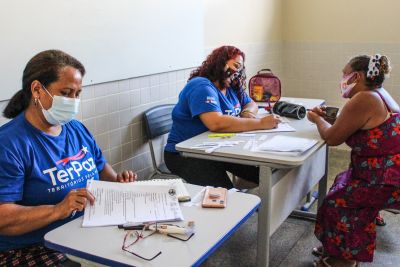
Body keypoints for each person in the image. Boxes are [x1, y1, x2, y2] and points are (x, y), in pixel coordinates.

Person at [0, 50, 137, 266]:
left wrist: (120, 183)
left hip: (83, 231)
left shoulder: (76, 130)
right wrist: (58, 210)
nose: (73, 101)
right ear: (37, 89)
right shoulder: (10, 144)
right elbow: (3, 218)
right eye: (66, 92)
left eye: (77, 94)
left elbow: (104, 173)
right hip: (33, 247)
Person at [307, 54, 400, 267]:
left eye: (344, 73)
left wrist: (317, 120)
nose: (342, 77)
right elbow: (359, 122)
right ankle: (337, 244)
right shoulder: (379, 93)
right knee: (341, 181)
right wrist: (332, 119)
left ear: (356, 76)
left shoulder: (363, 98)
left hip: (385, 178)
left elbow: (332, 138)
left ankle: (344, 259)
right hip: (385, 171)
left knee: (338, 201)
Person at [164, 45, 281, 188]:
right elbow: (216, 123)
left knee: (263, 175)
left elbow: (251, 104)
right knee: (226, 194)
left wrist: (247, 114)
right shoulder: (202, 86)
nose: (237, 71)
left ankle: (261, 204)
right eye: (236, 65)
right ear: (220, 62)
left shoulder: (231, 86)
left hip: (218, 149)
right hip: (185, 154)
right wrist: (261, 123)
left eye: (241, 68)